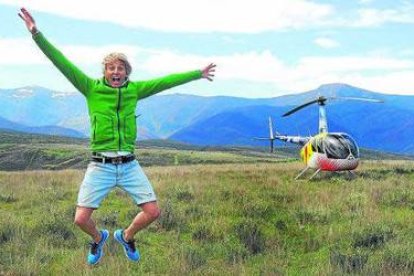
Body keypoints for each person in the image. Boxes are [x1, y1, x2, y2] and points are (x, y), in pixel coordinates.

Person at [18, 7, 216, 265]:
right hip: (99, 165)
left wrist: (197, 74)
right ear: (105, 72)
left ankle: (126, 235)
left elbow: (166, 82)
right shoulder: (90, 88)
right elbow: (61, 63)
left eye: (120, 68)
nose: (115, 72)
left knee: (153, 211)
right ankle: (99, 238)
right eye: (111, 68)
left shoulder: (135, 90)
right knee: (80, 219)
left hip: (129, 164)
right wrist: (36, 34)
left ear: (126, 72)